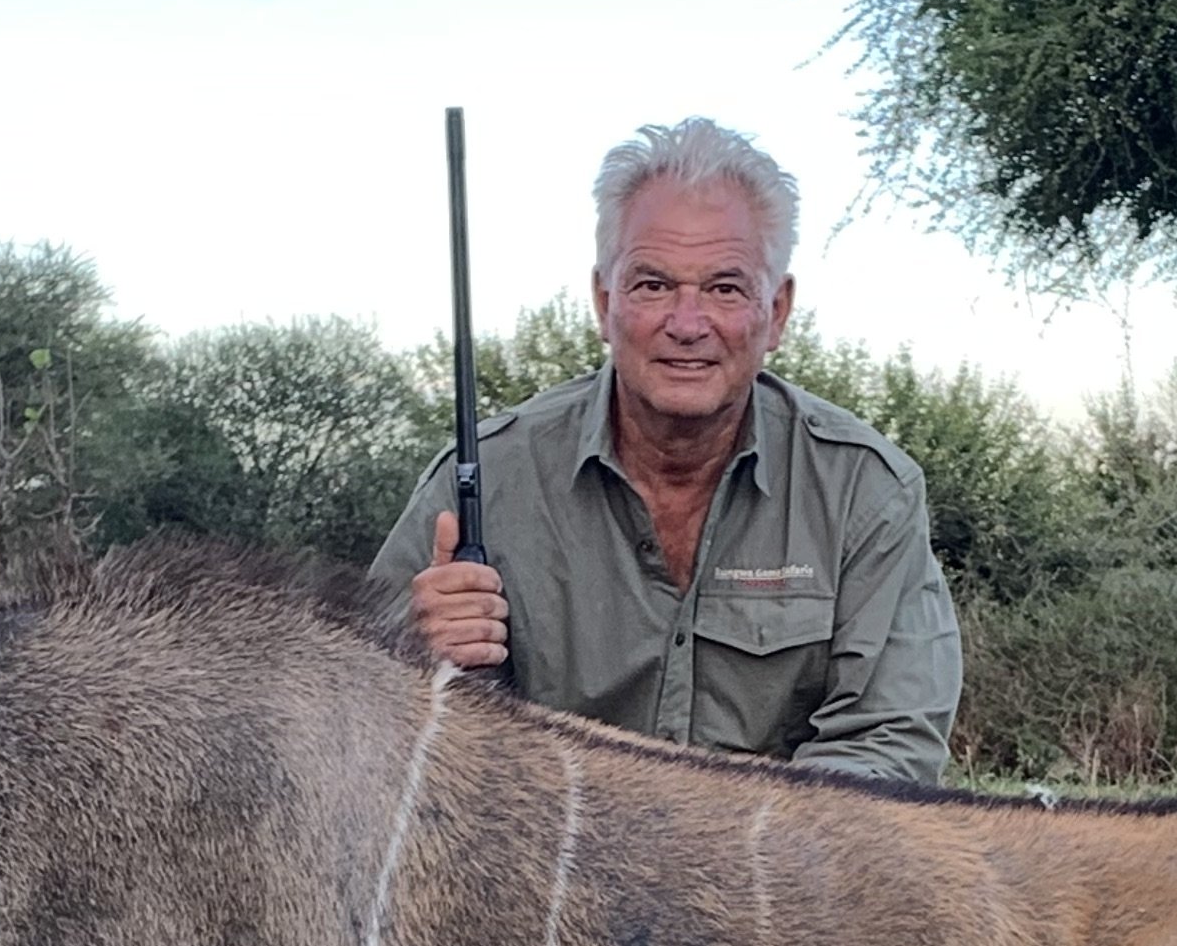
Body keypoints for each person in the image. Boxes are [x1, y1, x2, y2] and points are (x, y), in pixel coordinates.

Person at [372, 118, 961, 784]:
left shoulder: (865, 489)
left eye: (725, 288)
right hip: (545, 876)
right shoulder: (480, 478)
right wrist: (408, 656)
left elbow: (890, 743)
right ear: (604, 302)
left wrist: (718, 863)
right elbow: (360, 728)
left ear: (779, 311)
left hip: (778, 878)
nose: (686, 324)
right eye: (652, 285)